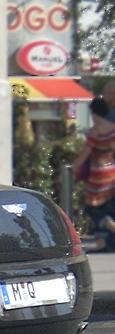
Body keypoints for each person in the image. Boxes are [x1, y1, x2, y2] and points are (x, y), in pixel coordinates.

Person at [73, 97, 115, 249]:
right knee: (110, 207)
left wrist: (73, 168)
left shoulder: (95, 131)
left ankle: (111, 228)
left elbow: (86, 153)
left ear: (94, 113)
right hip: (112, 171)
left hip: (98, 175)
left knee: (93, 208)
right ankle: (104, 242)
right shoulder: (113, 128)